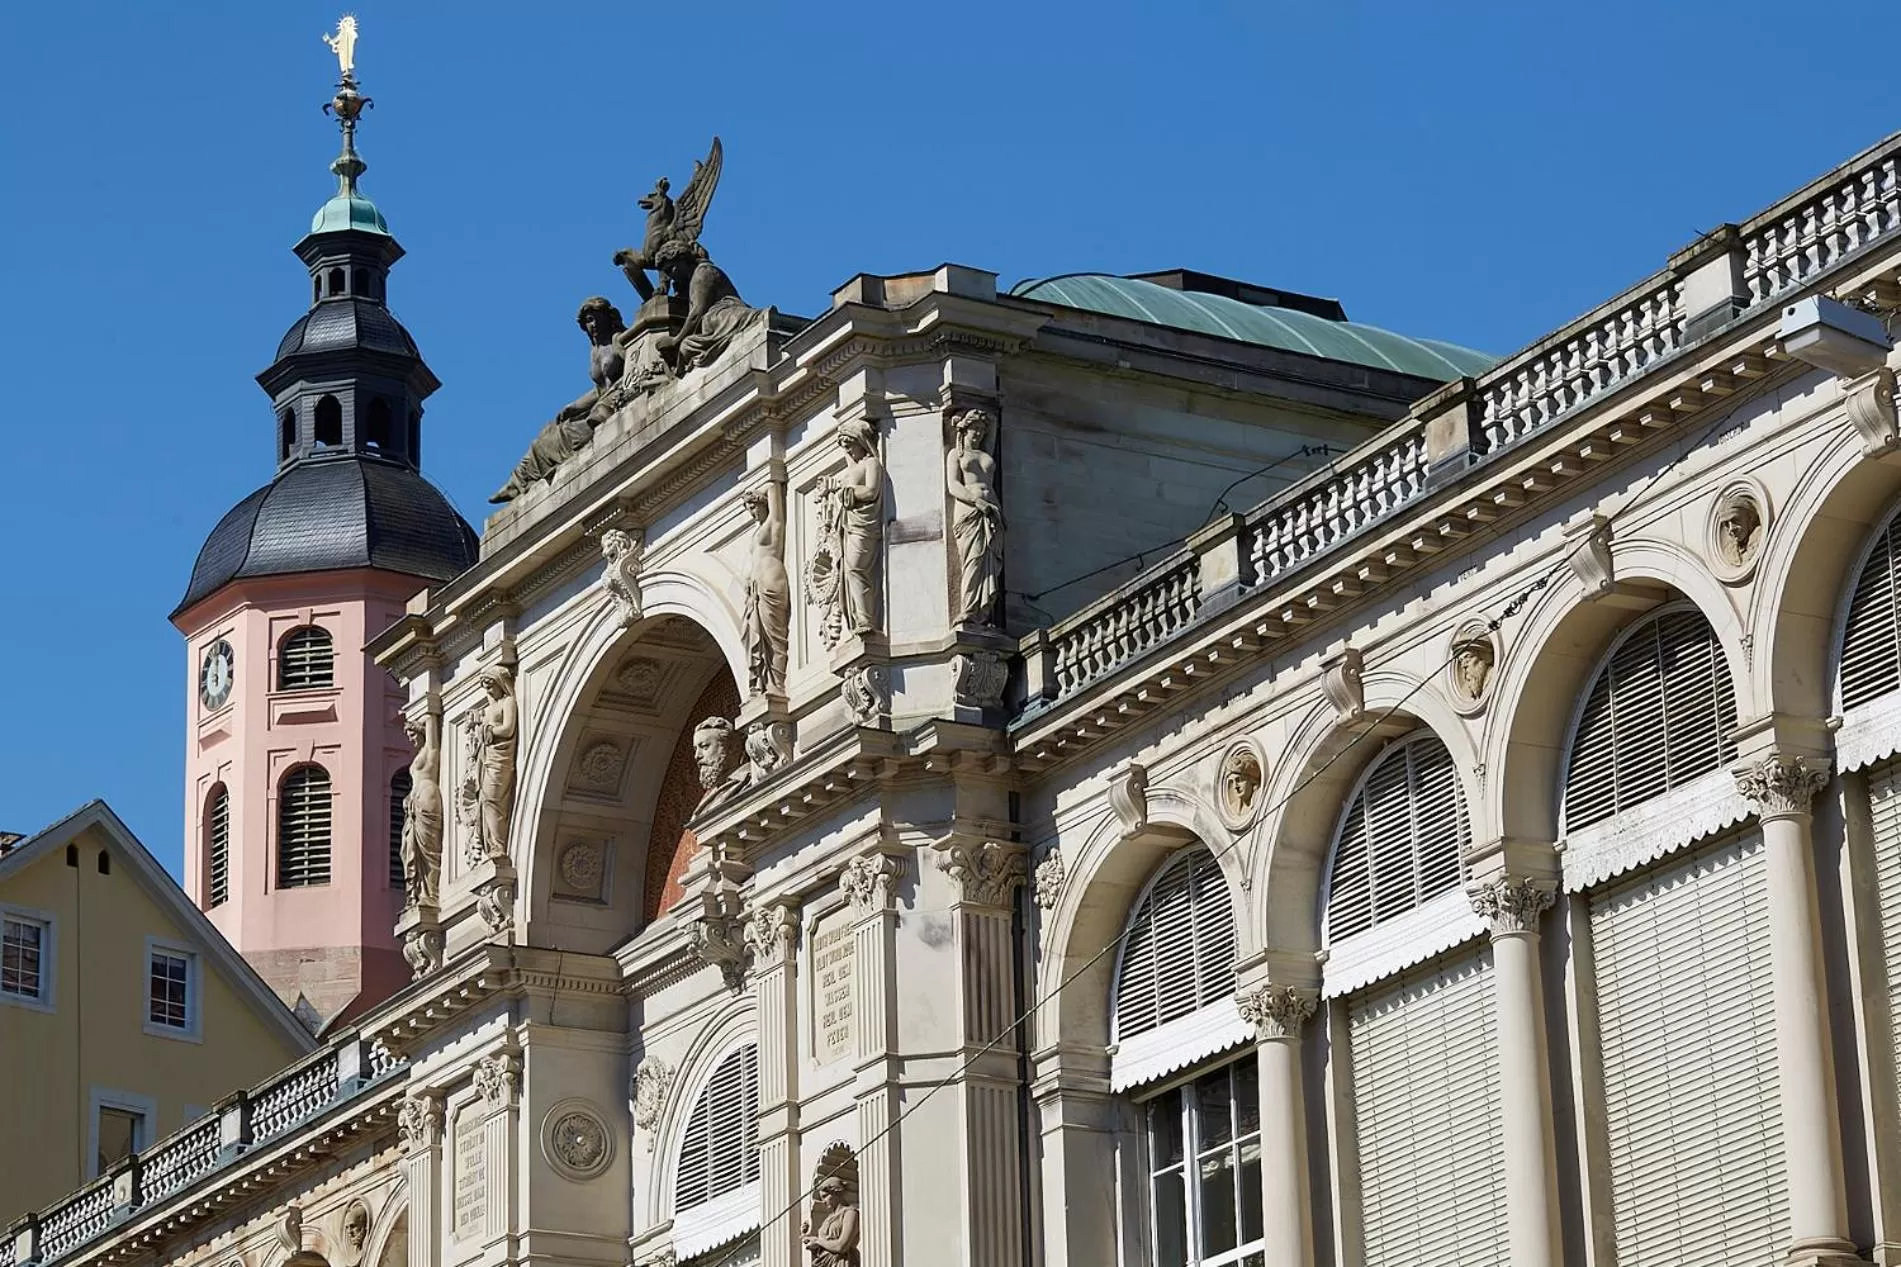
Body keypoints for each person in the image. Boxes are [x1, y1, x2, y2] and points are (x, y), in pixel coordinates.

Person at [489, 298, 627, 503]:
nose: (593, 325)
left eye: (597, 319)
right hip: (600, 403)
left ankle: (520, 482)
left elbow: (635, 367)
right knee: (545, 436)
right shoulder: (595, 351)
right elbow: (598, 390)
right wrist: (572, 406)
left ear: (608, 318)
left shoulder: (618, 340)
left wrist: (614, 396)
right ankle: (517, 482)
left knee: (560, 435)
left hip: (613, 405)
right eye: (589, 321)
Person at [946, 408, 1004, 626]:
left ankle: (984, 609)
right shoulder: (957, 454)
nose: (978, 434)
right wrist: (976, 501)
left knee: (989, 559)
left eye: (982, 430)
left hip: (992, 511)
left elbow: (995, 421)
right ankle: (969, 608)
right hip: (969, 511)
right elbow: (953, 485)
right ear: (965, 430)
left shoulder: (985, 453)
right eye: (974, 429)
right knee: (973, 559)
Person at [741, 485, 790, 694]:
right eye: (748, 508)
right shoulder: (757, 531)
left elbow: (773, 488)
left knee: (774, 636)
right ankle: (766, 680)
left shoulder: (773, 523)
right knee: (756, 634)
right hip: (755, 590)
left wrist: (767, 465)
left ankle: (777, 682)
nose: (752, 512)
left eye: (754, 506)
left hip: (771, 580)